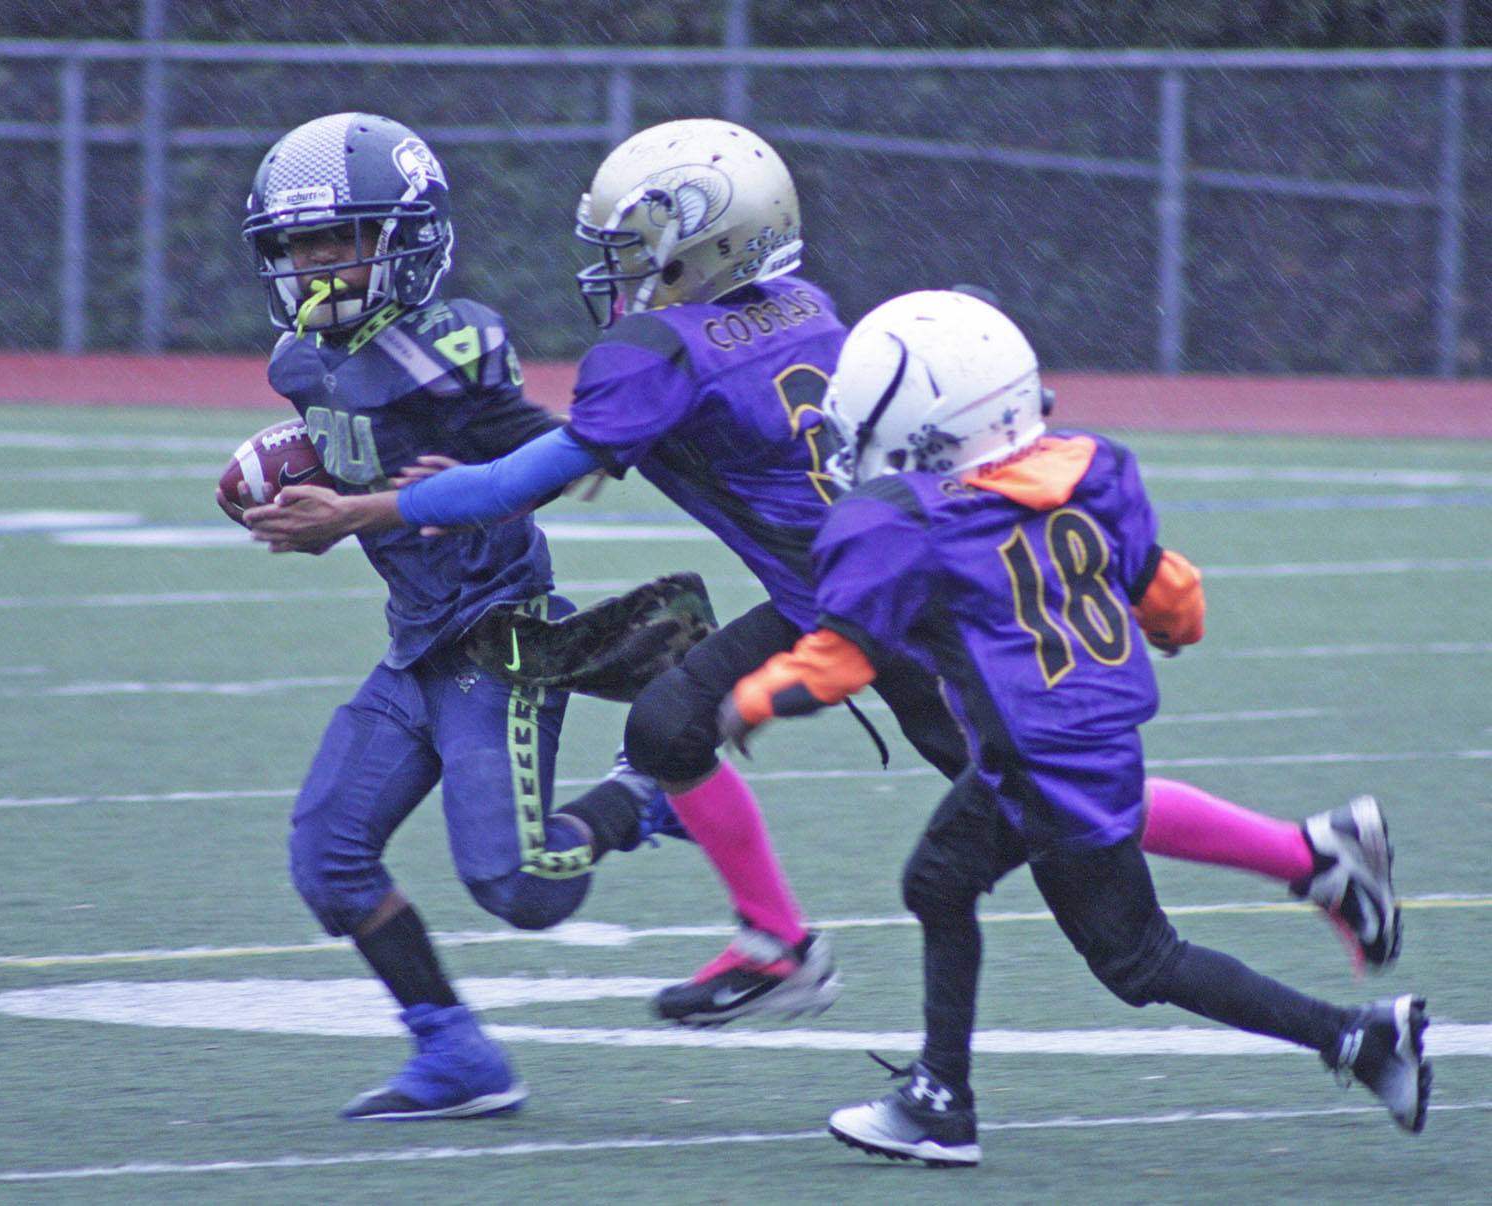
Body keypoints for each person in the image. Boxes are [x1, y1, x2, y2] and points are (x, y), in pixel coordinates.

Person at [247, 119, 1400, 1031]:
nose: (617, 271)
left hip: (903, 612)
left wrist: (368, 507)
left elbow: (529, 474)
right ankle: (779, 949)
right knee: (666, 726)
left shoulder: (659, 353)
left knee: (1056, 804)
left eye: (638, 247)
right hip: (831, 590)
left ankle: (1311, 855)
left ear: (704, 244)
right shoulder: (801, 305)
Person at [717, 289, 1431, 1166]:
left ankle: (1360, 1039)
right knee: (937, 883)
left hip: (1045, 770)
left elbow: (840, 659)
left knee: (1141, 963)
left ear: (926, 430)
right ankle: (940, 1097)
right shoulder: (1088, 470)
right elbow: (1172, 594)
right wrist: (1169, 628)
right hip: (1067, 747)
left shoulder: (911, 520)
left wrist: (753, 698)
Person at [222, 112, 675, 1121]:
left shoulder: (448, 343)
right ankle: (457, 1052)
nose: (314, 264)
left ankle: (642, 791)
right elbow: (361, 463)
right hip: (419, 645)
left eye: (336, 240)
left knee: (521, 887)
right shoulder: (299, 363)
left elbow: (566, 458)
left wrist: (458, 484)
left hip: (499, 636)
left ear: (406, 239)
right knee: (329, 860)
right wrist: (315, 504)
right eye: (297, 245)